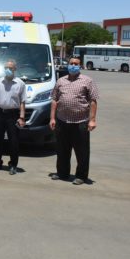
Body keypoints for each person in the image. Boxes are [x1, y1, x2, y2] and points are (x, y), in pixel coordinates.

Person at [49, 56, 99, 185]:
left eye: (76, 64)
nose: (73, 65)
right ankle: (62, 173)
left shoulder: (87, 81)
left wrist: (92, 120)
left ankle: (81, 176)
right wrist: (52, 118)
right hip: (62, 121)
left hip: (80, 122)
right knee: (62, 150)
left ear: (80, 66)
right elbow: (54, 100)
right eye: (71, 63)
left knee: (82, 152)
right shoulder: (61, 81)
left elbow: (93, 101)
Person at [0, 60, 26, 175]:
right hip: (0, 113)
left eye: (10, 68)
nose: (8, 70)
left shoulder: (20, 84)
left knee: (13, 141)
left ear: (15, 69)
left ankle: (13, 165)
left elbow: (22, 102)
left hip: (13, 115)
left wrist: (22, 117)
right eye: (6, 68)